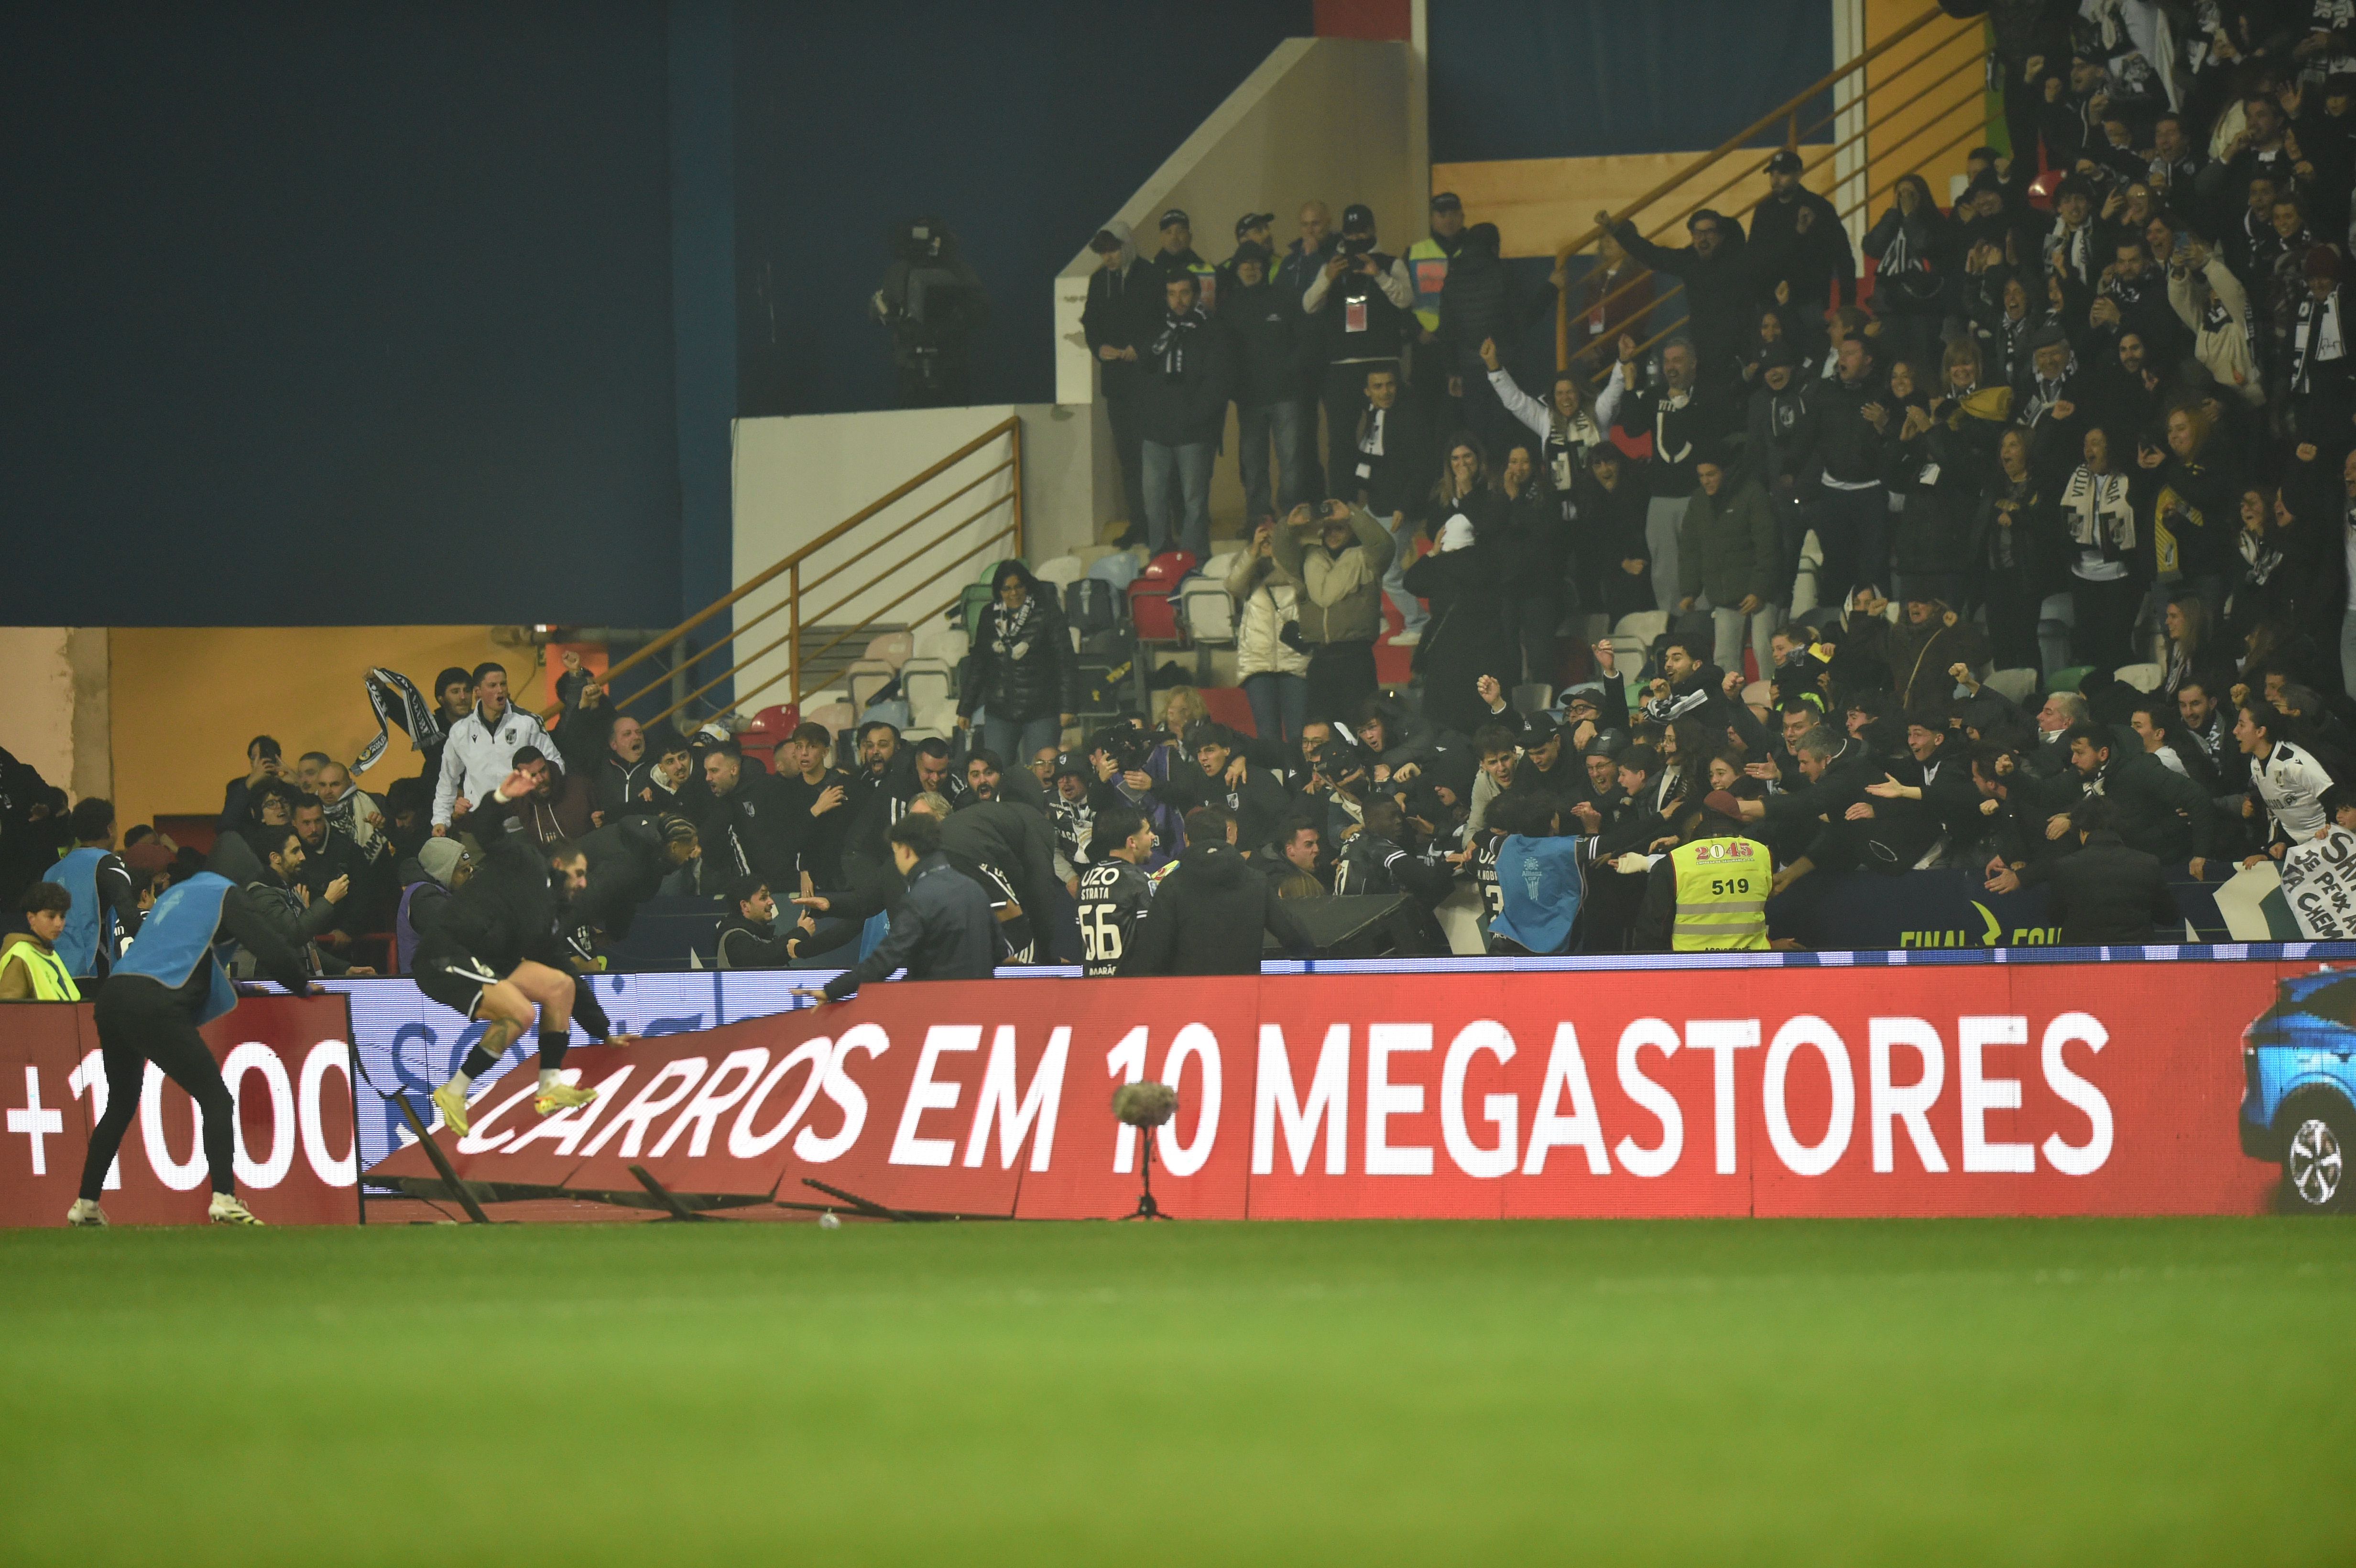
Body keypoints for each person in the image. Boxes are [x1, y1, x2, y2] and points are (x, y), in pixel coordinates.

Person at [68, 848, 320, 1226]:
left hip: (114, 996)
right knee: (215, 1097)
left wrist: (241, 989)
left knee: (120, 1104)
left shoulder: (176, 896)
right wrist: (301, 985)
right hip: (156, 1001)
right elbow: (270, 944)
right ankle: (224, 1197)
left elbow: (183, 956)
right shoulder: (227, 894)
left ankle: (85, 1204)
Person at [420, 833, 639, 1136]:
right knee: (520, 1013)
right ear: (559, 865)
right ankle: (455, 1091)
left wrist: (603, 1032)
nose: (583, 883)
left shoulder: (550, 916)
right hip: (447, 952)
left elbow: (567, 970)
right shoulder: (524, 862)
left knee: (561, 987)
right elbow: (487, 828)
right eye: (579, 874)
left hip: (492, 960)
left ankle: (549, 1088)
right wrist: (501, 797)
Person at [798, 812, 995, 1002]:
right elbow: (999, 948)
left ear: (907, 851)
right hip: (981, 1003)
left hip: (937, 1004)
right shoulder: (973, 888)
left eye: (895, 852)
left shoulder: (920, 897)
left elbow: (886, 959)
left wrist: (832, 990)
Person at [1599, 333, 1733, 613]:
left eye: (1678, 361)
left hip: (1696, 495)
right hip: (1661, 496)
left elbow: (1714, 436)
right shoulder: (1656, 394)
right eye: (1667, 362)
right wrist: (1631, 386)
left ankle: (1706, 618)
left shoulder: (1709, 394)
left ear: (1693, 364)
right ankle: (1672, 621)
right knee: (1664, 566)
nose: (1671, 367)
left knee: (1702, 559)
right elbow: (1633, 427)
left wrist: (1686, 407)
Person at [1117, 806, 1313, 975]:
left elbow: (1152, 956)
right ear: (1227, 834)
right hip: (1244, 999)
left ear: (1186, 839)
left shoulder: (1172, 886)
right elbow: (1299, 939)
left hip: (1189, 1003)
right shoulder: (1257, 882)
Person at [1305, 204, 1415, 496]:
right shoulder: (1332, 264)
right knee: (1341, 441)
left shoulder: (1391, 264)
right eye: (1351, 232)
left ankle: (1386, 503)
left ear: (1373, 230)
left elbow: (1405, 300)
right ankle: (1344, 506)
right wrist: (1328, 278)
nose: (1357, 238)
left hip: (1382, 363)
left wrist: (1378, 274)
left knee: (1389, 435)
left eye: (1362, 231)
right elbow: (1308, 305)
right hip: (1342, 366)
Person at [1272, 498, 1395, 721]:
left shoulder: (1367, 559)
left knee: (1362, 725)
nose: (1332, 534)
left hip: (1356, 657)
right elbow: (1281, 551)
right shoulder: (1308, 561)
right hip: (1320, 659)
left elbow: (1384, 545)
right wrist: (1289, 527)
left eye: (1339, 528)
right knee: (1321, 730)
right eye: (1327, 529)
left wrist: (1352, 516)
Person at [1222, 240, 1311, 522]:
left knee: (1292, 465)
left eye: (1256, 263)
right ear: (1237, 268)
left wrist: (1291, 374)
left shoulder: (1284, 299)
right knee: (1253, 466)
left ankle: (1291, 521)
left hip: (1286, 396)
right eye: (1245, 264)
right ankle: (1259, 522)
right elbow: (1223, 354)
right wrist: (1236, 389)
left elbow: (1304, 342)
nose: (1250, 269)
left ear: (1264, 267)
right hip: (1250, 400)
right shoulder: (1229, 306)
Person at [959, 560, 1078, 765]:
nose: (1014, 593)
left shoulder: (1047, 612)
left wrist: (1068, 706)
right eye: (1007, 589)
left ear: (1027, 586)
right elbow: (979, 663)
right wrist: (965, 708)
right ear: (999, 590)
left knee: (1040, 772)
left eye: (1018, 587)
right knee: (995, 770)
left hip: (1042, 710)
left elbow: (1065, 661)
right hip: (1000, 710)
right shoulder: (989, 615)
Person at [1677, 451, 1780, 677]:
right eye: (1701, 476)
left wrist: (1759, 591)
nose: (1706, 481)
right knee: (1724, 660)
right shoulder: (1699, 502)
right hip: (1724, 597)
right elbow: (1690, 550)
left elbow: (1768, 546)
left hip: (1760, 596)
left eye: (1711, 474)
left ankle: (1775, 705)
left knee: (1766, 653)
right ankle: (1732, 709)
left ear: (1726, 472)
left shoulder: (1752, 494)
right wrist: (1689, 591)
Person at [1082, 223, 1153, 542]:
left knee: (1155, 459)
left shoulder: (1150, 276)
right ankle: (1140, 523)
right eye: (1103, 252)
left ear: (1126, 246)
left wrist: (1142, 347)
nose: (1108, 258)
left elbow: (1162, 321)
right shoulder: (1099, 282)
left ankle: (1161, 526)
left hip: (1149, 382)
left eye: (1112, 251)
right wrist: (1101, 349)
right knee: (1129, 459)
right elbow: (1091, 326)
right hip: (1118, 386)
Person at [870, 216, 987, 407]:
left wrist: (953, 320)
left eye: (935, 237)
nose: (931, 243)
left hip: (950, 362)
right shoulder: (899, 272)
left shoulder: (958, 271)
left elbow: (981, 309)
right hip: (912, 365)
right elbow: (879, 311)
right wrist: (890, 314)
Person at [431, 662, 560, 834]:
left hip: (527, 824)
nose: (500, 690)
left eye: (503, 684)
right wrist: (441, 820)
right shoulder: (461, 731)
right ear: (478, 692)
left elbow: (555, 764)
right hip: (481, 827)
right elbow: (447, 781)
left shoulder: (527, 722)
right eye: (493, 686)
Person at [1635, 796, 1773, 952]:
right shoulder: (1762, 854)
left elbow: (1652, 931)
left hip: (1693, 967)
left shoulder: (1675, 861)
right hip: (1754, 963)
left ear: (1701, 818)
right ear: (1739, 819)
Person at [2040, 796, 2181, 944]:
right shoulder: (2148, 864)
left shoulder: (2065, 867)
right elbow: (2169, 917)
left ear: (2082, 831)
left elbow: (2055, 917)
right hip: (2134, 959)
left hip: (2083, 960)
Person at [1227, 519, 1313, 751]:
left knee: (1299, 737)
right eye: (1263, 537)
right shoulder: (1247, 567)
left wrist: (1280, 553)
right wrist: (1254, 551)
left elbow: (1303, 587)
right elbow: (1234, 586)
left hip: (1294, 661)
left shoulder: (1298, 564)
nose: (1267, 542)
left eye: (1272, 537)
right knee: (1268, 740)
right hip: (1258, 663)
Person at [44, 796, 142, 980]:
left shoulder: (52, 871)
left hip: (53, 970)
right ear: (109, 829)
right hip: (92, 968)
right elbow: (130, 917)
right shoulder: (106, 863)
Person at [1076, 805, 1157, 977]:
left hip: (1091, 984)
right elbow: (1152, 938)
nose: (1153, 837)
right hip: (1127, 985)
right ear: (1132, 842)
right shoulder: (1139, 880)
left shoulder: (1086, 879)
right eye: (1147, 832)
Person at [395, 836, 472, 976]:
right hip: (423, 990)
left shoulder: (435, 891)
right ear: (444, 872)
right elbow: (461, 934)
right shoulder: (424, 898)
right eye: (464, 871)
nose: (470, 876)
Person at [1, 881, 82, 1001]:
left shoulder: (50, 952)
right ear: (31, 918)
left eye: (62, 916)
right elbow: (9, 1012)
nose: (59, 924)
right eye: (51, 916)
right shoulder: (20, 955)